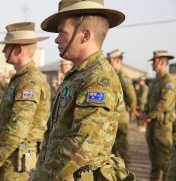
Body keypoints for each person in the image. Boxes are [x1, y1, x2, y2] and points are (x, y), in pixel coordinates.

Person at [34, 0, 136, 180]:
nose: (57, 39)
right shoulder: (77, 74)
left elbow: (80, 146)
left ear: (85, 35)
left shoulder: (98, 79)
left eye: (62, 32)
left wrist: (42, 177)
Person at [0, 22, 51, 180]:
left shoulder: (29, 81)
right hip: (13, 157)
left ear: (19, 49)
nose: (4, 50)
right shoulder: (23, 78)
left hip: (17, 162)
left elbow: (18, 127)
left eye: (7, 46)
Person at [142, 50, 176, 181]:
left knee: (165, 161)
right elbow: (150, 100)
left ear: (163, 62)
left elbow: (165, 103)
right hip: (152, 125)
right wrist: (145, 113)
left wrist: (149, 115)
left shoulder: (169, 81)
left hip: (162, 126)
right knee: (154, 162)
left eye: (154, 61)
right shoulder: (156, 80)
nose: (152, 64)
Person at [107, 49, 137, 168]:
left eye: (111, 61)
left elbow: (132, 98)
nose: (109, 64)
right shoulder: (112, 75)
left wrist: (130, 112)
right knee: (114, 149)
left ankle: (127, 173)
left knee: (123, 149)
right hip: (114, 118)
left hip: (121, 119)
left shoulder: (123, 77)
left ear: (117, 61)